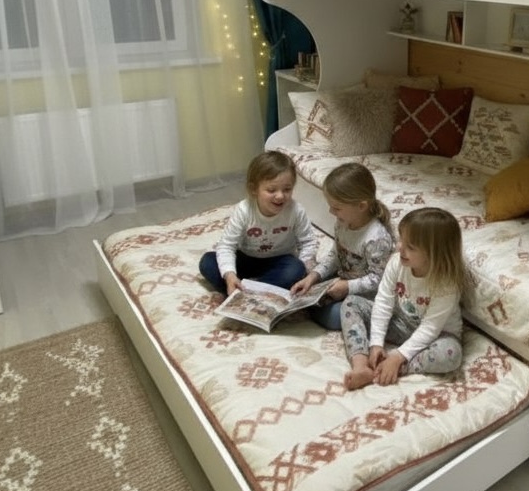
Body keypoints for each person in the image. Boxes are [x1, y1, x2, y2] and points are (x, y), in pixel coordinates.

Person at [340, 206, 470, 390]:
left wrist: (397, 357)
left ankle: (387, 369)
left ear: (435, 254)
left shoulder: (446, 283)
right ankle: (361, 365)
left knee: (451, 355)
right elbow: (383, 302)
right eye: (401, 240)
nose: (399, 248)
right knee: (351, 303)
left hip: (437, 335)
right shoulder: (396, 262)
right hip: (401, 322)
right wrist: (376, 343)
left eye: (410, 247)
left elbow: (430, 328)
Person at [199, 150, 318, 296]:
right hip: (246, 258)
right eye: (271, 190)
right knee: (208, 262)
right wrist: (230, 275)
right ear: (254, 189)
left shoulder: (296, 210)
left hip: (279, 261)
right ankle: (249, 289)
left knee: (296, 269)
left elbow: (308, 242)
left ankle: (249, 292)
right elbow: (227, 246)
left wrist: (305, 270)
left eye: (287, 189)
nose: (280, 196)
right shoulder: (243, 210)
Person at [291, 163, 394, 330]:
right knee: (302, 283)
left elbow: (378, 279)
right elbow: (335, 256)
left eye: (337, 208)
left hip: (366, 294)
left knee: (335, 318)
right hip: (342, 279)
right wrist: (314, 276)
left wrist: (347, 287)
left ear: (361, 206)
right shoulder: (342, 223)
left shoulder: (377, 238)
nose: (331, 212)